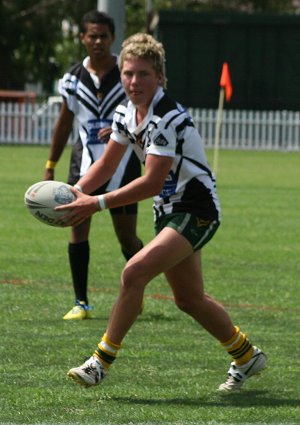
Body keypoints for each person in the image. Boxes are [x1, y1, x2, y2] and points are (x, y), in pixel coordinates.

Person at [56, 33, 267, 391]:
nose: (134, 82)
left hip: (196, 209)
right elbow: (107, 165)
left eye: (143, 74)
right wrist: (76, 191)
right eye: (128, 73)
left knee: (134, 272)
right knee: (188, 299)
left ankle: (100, 362)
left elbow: (152, 181)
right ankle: (246, 356)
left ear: (160, 78)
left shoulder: (167, 117)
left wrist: (97, 202)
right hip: (168, 211)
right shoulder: (124, 111)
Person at [44, 10, 143, 320]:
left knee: (126, 237)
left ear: (112, 38)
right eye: (92, 36)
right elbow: (64, 122)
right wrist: (50, 163)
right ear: (83, 38)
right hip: (83, 162)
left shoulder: (128, 74)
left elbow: (143, 111)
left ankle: (136, 294)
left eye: (103, 36)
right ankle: (81, 302)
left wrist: (122, 128)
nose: (98, 41)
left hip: (123, 163)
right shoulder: (72, 78)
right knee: (77, 228)